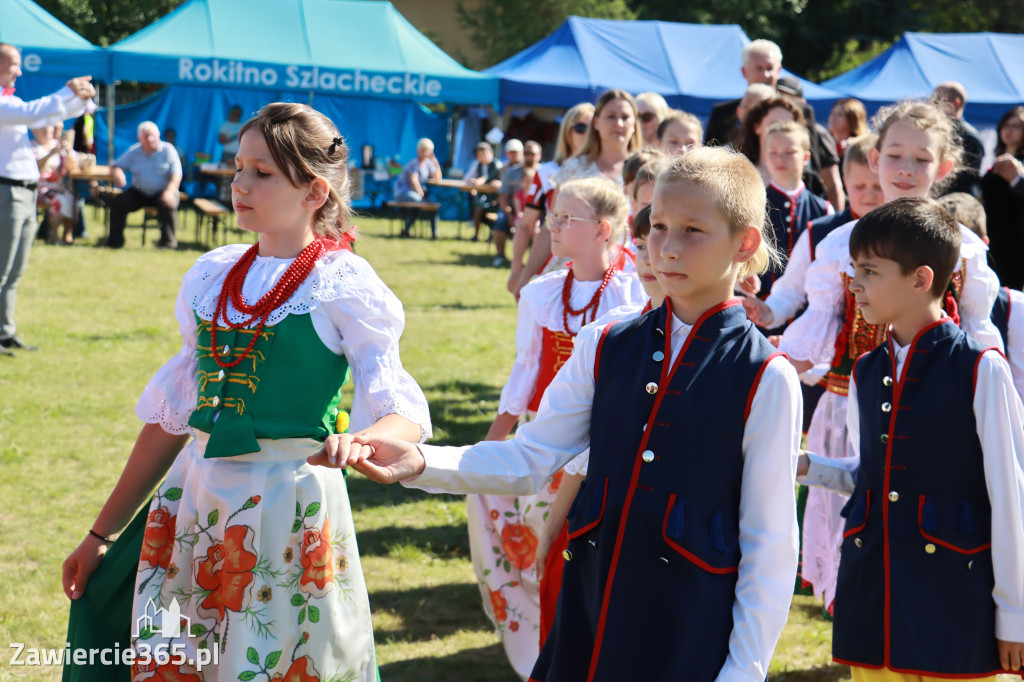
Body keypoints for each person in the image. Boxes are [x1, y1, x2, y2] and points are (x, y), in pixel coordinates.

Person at [321, 146, 802, 682]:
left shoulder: (767, 375)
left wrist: (743, 671)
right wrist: (420, 462)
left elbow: (770, 543)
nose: (666, 248)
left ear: (745, 243)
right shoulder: (606, 343)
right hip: (588, 611)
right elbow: (531, 456)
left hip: (689, 629)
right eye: (659, 226)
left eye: (693, 231)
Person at [61, 102, 431, 682]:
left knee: (272, 660)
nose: (239, 184)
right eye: (239, 167)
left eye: (262, 173)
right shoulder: (212, 275)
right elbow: (173, 417)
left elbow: (399, 406)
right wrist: (100, 534)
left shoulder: (342, 282)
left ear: (314, 193)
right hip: (196, 501)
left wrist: (363, 440)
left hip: (287, 504)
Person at [799, 197, 1024, 679]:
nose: (853, 283)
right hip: (875, 600)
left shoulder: (981, 368)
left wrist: (1014, 616)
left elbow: (1010, 498)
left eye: (870, 271)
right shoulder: (866, 369)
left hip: (954, 607)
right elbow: (873, 477)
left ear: (921, 279)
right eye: (853, 269)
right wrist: (809, 468)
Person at [466, 177, 644, 678]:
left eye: (567, 218)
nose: (553, 226)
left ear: (603, 230)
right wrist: (494, 441)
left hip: (606, 448)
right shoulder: (542, 292)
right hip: (545, 442)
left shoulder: (633, 295)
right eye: (553, 215)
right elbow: (526, 371)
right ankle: (544, 652)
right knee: (537, 549)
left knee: (590, 555)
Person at [743, 133, 883, 614]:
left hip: (893, 396)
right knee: (834, 505)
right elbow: (793, 292)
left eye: (875, 185)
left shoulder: (911, 238)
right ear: (843, 181)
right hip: (840, 394)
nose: (867, 194)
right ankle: (841, 604)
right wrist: (768, 310)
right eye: (857, 184)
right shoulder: (828, 234)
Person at [534, 201, 666, 645]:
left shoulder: (745, 357)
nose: (651, 258)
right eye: (643, 246)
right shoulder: (612, 334)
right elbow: (582, 451)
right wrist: (554, 525)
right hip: (602, 524)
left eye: (662, 243)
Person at [0, 42, 95, 356]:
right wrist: (69, 91)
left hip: (23, 192)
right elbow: (34, 113)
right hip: (8, 191)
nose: (20, 69)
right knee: (2, 270)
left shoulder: (7, 100)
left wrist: (80, 101)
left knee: (14, 271)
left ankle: (5, 332)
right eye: (14, 63)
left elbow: (42, 115)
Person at [512, 91, 642, 299]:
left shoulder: (643, 171)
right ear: (597, 123)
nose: (618, 123)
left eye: (625, 117)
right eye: (611, 116)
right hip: (569, 273)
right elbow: (552, 227)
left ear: (635, 123)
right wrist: (525, 275)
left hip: (623, 278)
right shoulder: (574, 168)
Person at [509, 103, 593, 297]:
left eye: (593, 129)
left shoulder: (613, 171)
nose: (588, 135)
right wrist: (517, 273)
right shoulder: (548, 172)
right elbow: (527, 225)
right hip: (558, 269)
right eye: (581, 128)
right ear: (567, 132)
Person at [760, 120, 832, 302]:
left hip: (807, 313)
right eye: (773, 153)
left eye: (789, 152)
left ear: (806, 158)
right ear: (766, 157)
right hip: (759, 311)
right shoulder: (753, 205)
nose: (780, 158)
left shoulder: (823, 209)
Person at [109, 121, 183, 250]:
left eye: (152, 135)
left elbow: (176, 175)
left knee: (169, 203)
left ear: (158, 135)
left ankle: (168, 244)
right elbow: (115, 165)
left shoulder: (168, 150)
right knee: (119, 202)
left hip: (162, 191)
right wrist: (118, 173)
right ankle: (115, 242)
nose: (150, 139)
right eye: (146, 136)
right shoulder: (134, 151)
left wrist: (169, 192)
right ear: (140, 138)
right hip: (139, 191)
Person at [775, 76, 845, 212]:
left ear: (802, 102)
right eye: (779, 100)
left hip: (809, 210)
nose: (784, 105)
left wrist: (834, 223)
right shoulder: (766, 134)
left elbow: (833, 185)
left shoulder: (818, 134)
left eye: (790, 99)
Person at [705, 39, 783, 147]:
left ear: (779, 71)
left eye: (770, 68)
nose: (765, 75)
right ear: (744, 71)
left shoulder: (799, 113)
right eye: (758, 68)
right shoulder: (722, 114)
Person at [982, 106, 1024, 288]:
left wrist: (1017, 178)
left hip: (1016, 240)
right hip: (991, 235)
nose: (1009, 130)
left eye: (1016, 126)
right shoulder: (995, 161)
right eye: (1006, 125)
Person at [933, 81, 984, 197]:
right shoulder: (935, 131)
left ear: (956, 103)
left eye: (936, 100)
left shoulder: (969, 137)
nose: (932, 105)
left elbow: (967, 178)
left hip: (957, 205)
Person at [31, 123, 78, 244]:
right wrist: (50, 155)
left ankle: (67, 234)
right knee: (59, 199)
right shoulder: (32, 147)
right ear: (35, 131)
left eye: (49, 129)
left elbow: (73, 168)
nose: (48, 132)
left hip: (58, 186)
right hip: (40, 187)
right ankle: (54, 234)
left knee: (73, 199)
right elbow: (35, 169)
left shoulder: (59, 145)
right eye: (44, 129)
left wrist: (68, 153)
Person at [393, 137, 442, 239]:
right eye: (423, 150)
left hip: (414, 193)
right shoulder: (414, 163)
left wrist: (434, 161)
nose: (425, 153)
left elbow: (438, 178)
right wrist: (421, 194)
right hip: (403, 192)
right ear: (418, 151)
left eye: (428, 151)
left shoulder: (428, 163)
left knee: (432, 205)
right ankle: (407, 229)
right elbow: (414, 181)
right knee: (421, 202)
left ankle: (434, 233)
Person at [492, 139, 529, 266]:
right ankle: (500, 255)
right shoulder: (508, 171)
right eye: (511, 152)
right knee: (500, 223)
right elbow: (503, 196)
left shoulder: (539, 171)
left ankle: (535, 261)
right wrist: (508, 213)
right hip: (511, 209)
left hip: (531, 210)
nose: (514, 155)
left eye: (517, 152)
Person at [464, 142, 502, 241]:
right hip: (483, 197)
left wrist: (483, 180)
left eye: (485, 154)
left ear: (491, 154)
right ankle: (476, 235)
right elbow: (467, 178)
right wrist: (472, 183)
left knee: (484, 209)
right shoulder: (477, 164)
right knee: (477, 208)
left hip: (497, 198)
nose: (482, 157)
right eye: (480, 155)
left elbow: (496, 175)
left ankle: (493, 235)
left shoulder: (497, 164)